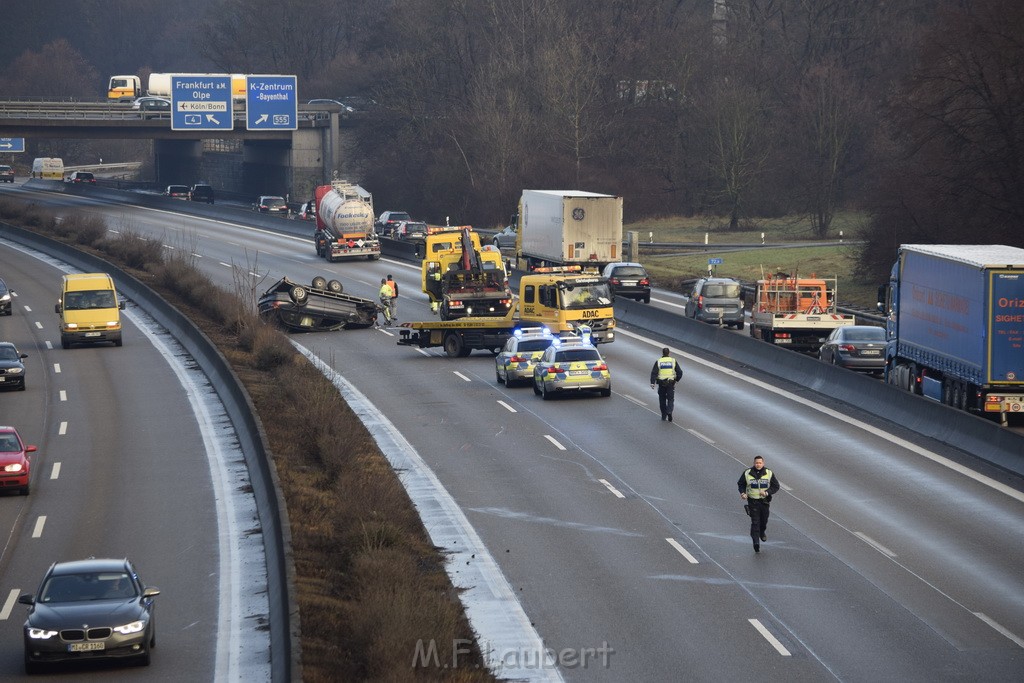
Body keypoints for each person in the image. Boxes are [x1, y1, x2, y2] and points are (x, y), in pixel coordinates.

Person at [738, 456, 781, 552]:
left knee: (763, 521)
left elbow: (776, 486)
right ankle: (756, 542)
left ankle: (762, 532)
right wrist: (743, 493)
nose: (758, 464)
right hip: (753, 501)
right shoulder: (747, 473)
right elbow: (741, 484)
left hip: (764, 502)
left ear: (763, 463)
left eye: (760, 463)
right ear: (754, 463)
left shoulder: (769, 473)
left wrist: (767, 492)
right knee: (755, 522)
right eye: (756, 463)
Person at [649, 347, 682, 421]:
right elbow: (680, 372)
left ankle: (664, 415)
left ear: (662, 353)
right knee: (670, 399)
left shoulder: (659, 361)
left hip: (661, 384)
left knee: (662, 399)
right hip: (671, 384)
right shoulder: (673, 361)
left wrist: (652, 383)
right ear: (669, 353)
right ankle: (669, 411)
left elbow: (654, 372)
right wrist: (676, 380)